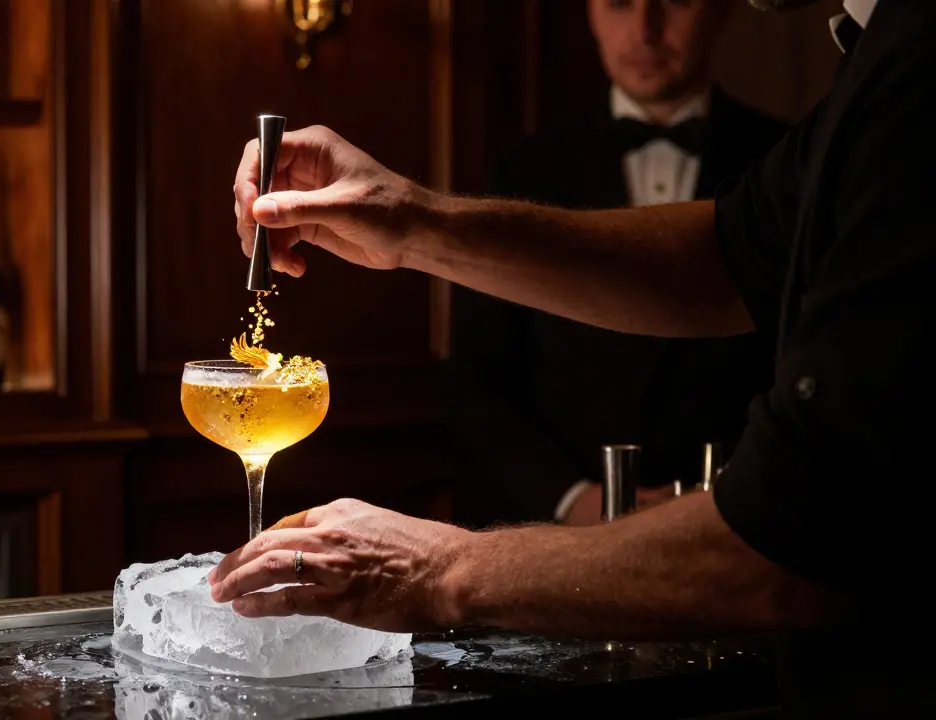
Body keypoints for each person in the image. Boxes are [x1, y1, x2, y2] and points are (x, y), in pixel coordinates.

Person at [215, 0, 934, 715]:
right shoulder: (883, 52)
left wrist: (437, 568)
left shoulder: (927, 60)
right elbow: (725, 256)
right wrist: (410, 222)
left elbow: (797, 542)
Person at [450, 0, 789, 527]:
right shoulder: (522, 171)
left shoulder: (786, 162)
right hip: (554, 545)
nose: (645, 31)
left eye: (674, 2)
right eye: (620, 3)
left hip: (740, 531)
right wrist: (575, 500)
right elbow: (477, 383)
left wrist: (735, 499)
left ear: (723, 11)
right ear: (588, 12)